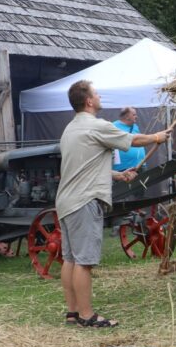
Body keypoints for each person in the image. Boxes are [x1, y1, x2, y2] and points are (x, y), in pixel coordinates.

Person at [56, 80, 168, 328]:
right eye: (96, 93)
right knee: (84, 261)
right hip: (84, 201)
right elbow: (133, 140)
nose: (99, 96)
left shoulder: (70, 129)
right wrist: (157, 137)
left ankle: (73, 313)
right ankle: (87, 316)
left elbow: (85, 166)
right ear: (88, 101)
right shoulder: (96, 126)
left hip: (66, 200)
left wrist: (118, 175)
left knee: (71, 259)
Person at [112, 107, 146, 172]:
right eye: (134, 115)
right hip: (124, 168)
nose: (136, 117)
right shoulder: (114, 126)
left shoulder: (135, 127)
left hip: (140, 165)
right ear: (127, 116)